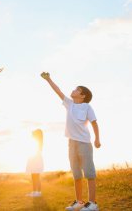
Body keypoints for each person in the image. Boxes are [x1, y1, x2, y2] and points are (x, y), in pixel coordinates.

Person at [41, 72, 101, 211]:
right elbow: (58, 90)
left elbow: (94, 123)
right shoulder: (69, 104)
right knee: (76, 174)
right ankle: (79, 202)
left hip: (84, 143)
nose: (73, 90)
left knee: (89, 173)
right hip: (71, 143)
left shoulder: (87, 107)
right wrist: (48, 79)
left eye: (77, 89)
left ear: (83, 95)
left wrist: (97, 139)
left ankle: (93, 203)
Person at [25, 129, 44, 197]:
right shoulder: (38, 141)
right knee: (35, 175)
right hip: (35, 158)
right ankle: (36, 192)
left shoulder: (38, 141)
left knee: (35, 175)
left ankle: (37, 192)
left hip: (35, 159)